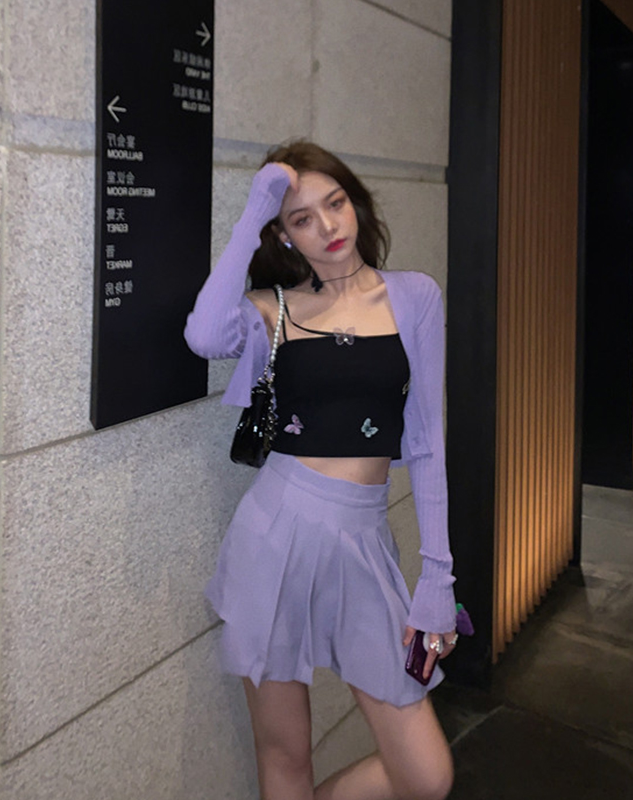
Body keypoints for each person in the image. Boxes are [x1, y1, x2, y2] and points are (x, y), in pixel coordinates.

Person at [185, 141, 456, 800]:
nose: (328, 227)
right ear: (284, 234)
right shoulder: (274, 308)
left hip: (364, 542)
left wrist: (438, 579)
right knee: (284, 757)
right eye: (302, 218)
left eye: (335, 203)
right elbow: (204, 335)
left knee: (425, 775)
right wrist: (253, 211)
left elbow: (427, 443)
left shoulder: (414, 296)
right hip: (276, 533)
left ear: (355, 202)